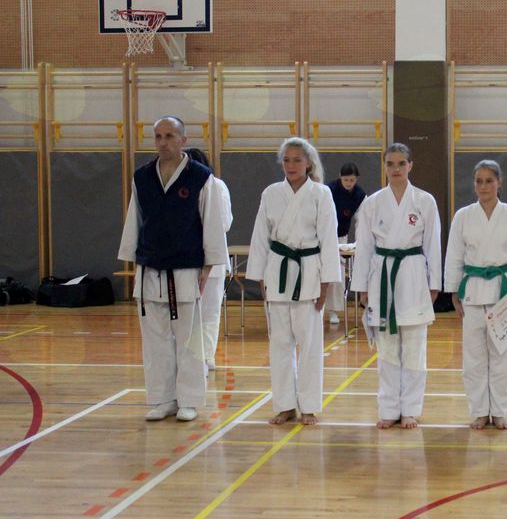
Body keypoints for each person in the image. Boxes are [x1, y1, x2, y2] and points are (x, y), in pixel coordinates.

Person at [117, 116, 228, 422]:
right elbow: (135, 219)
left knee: (188, 339)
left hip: (186, 267)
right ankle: (163, 399)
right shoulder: (142, 177)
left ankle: (189, 400)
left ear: (183, 140)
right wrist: (134, 257)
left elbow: (212, 223)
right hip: (150, 267)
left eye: (169, 136)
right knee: (156, 341)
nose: (163, 142)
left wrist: (208, 264)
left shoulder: (200, 177)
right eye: (158, 136)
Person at [248, 138, 340, 426]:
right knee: (279, 343)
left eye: (297, 160)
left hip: (309, 272)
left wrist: (326, 283)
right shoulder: (271, 193)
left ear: (308, 163)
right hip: (277, 270)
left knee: (310, 344)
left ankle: (309, 406)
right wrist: (260, 275)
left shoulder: (321, 193)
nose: (291, 165)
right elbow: (260, 237)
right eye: (286, 160)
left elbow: (329, 239)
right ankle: (285, 404)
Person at [351, 143, 442, 429]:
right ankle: (389, 408)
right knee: (387, 348)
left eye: (401, 163)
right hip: (382, 275)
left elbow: (433, 244)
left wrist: (434, 283)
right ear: (384, 166)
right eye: (390, 164)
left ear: (410, 165)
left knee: (414, 347)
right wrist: (362, 286)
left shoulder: (424, 201)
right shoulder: (372, 202)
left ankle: (411, 409)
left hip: (413, 275)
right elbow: (364, 247)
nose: (396, 169)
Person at [444, 160, 507, 430]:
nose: (483, 186)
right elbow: (454, 255)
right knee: (474, 358)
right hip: (472, 291)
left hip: (503, 292)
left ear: (499, 183)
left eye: (489, 181)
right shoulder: (463, 216)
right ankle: (480, 411)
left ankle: (499, 411)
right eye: (479, 181)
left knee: (502, 356)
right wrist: (453, 291)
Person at [185, 148, 233, 373]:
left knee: (210, 311)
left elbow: (225, 222)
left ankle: (206, 357)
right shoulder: (181, 188)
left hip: (213, 257)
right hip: (186, 257)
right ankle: (191, 357)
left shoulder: (217, 186)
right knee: (189, 312)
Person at [326, 162, 367, 325]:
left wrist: (360, 243)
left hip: (341, 239)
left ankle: (333, 311)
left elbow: (361, 222)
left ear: (356, 179)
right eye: (346, 180)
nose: (349, 183)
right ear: (340, 177)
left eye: (352, 180)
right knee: (319, 275)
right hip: (323, 238)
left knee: (337, 277)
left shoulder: (360, 196)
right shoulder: (328, 190)